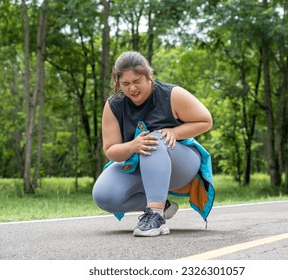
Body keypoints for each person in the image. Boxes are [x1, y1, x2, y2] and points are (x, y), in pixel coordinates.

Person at [92, 51, 215, 237]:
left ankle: (156, 216)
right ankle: (161, 204)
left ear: (149, 76)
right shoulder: (113, 105)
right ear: (117, 83)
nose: (132, 88)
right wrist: (133, 145)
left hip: (181, 165)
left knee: (153, 139)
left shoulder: (171, 94)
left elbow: (205, 121)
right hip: (140, 165)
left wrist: (175, 132)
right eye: (125, 84)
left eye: (137, 81)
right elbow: (111, 151)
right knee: (103, 195)